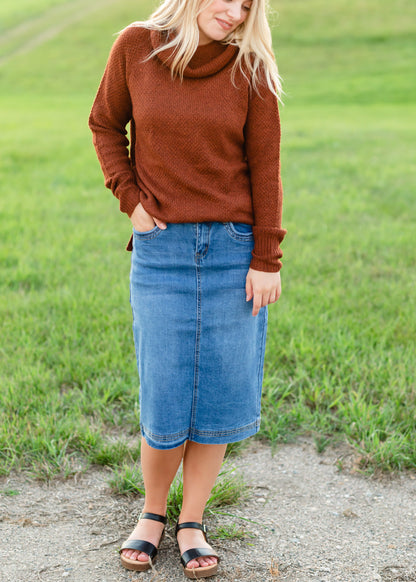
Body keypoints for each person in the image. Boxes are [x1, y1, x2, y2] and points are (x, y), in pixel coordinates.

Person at [89, 0, 286, 577]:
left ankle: (192, 520)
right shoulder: (135, 47)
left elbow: (266, 166)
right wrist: (130, 199)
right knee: (167, 387)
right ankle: (151, 515)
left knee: (220, 391)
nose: (234, 11)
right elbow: (104, 123)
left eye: (247, 4)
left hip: (233, 248)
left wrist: (266, 256)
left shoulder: (251, 66)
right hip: (162, 249)